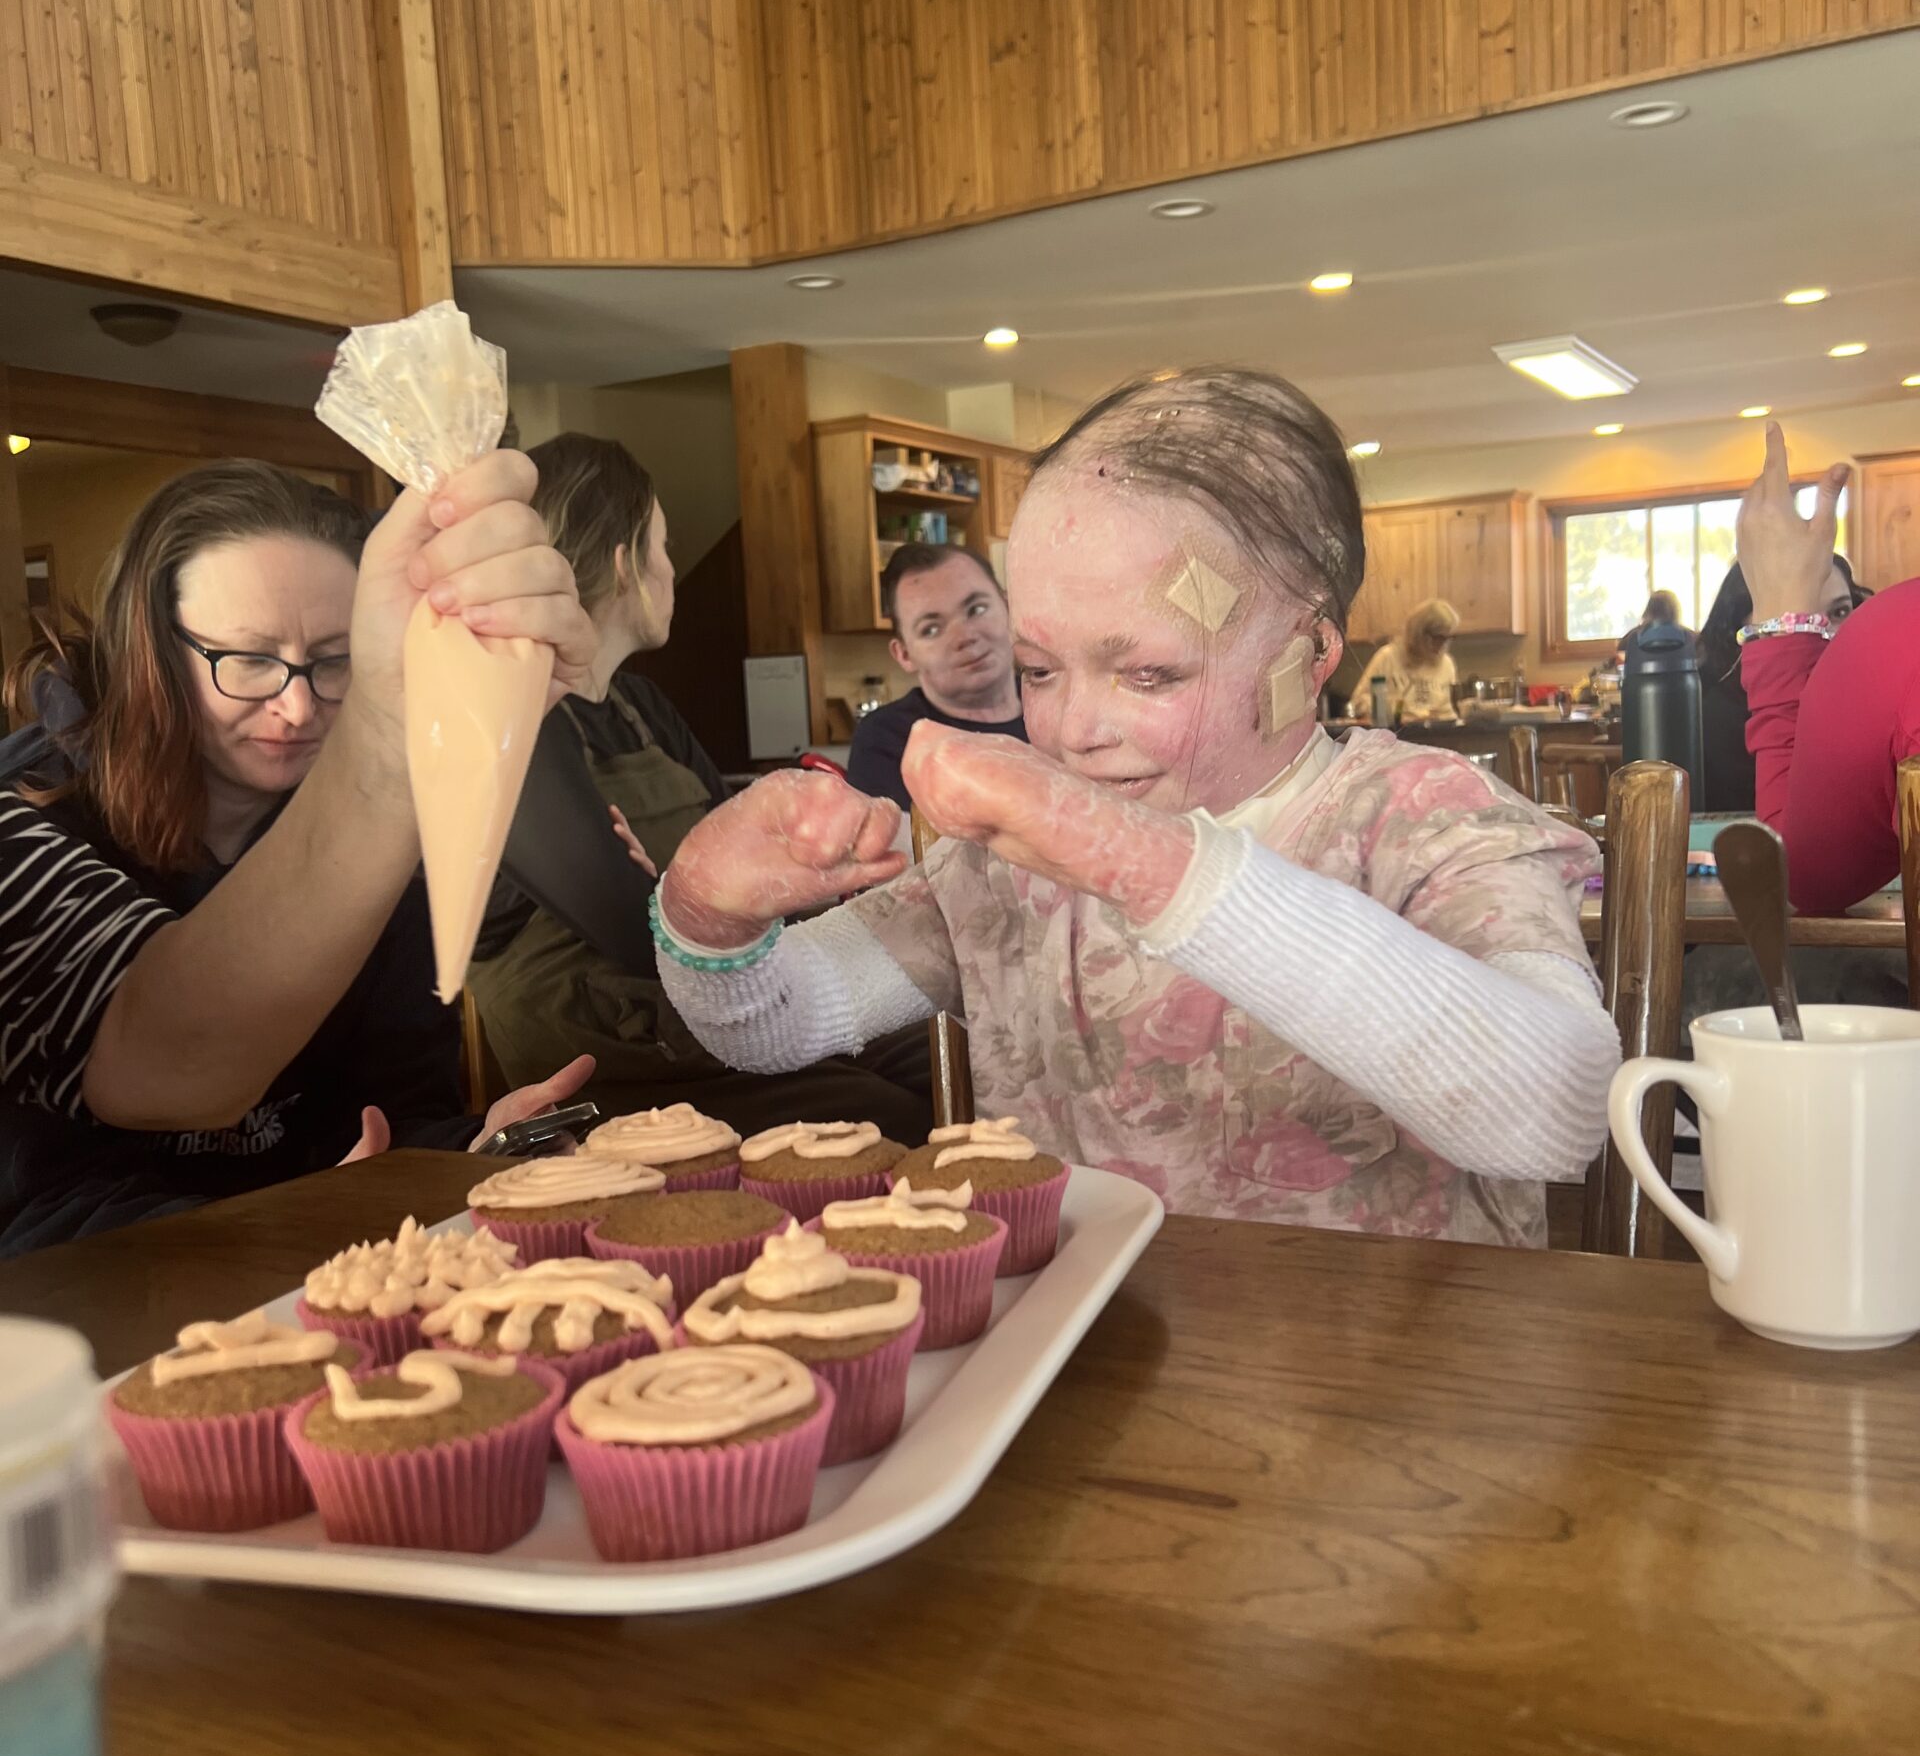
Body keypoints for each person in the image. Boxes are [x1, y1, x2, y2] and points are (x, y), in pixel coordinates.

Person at [649, 368, 1619, 1247]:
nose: (1074, 729)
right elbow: (776, 1020)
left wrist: (1134, 858)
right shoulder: (1004, 865)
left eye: (1148, 672)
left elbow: (1561, 1105)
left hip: (1385, 1402)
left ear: (1311, 650)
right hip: (1078, 1372)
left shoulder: (1428, 821)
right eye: (1037, 669)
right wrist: (707, 916)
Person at [0, 456, 597, 1255]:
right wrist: (304, 1221)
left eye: (336, 658)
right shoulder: (28, 822)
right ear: (147, 653)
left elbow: (397, 1112)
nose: (297, 705)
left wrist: (478, 1150)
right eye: (247, 659)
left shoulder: (378, 845)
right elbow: (76, 1172)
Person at [469, 434, 930, 1142]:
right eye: (665, 546)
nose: (671, 571)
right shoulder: (512, 717)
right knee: (892, 1123)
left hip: (712, 1004)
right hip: (616, 1049)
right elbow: (631, 930)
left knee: (952, 1057)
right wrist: (692, 901)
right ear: (626, 563)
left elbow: (749, 859)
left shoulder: (642, 706)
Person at [1733, 423, 1920, 913]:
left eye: (1838, 613)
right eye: (1814, 620)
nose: (1826, 638)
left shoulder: (1889, 649)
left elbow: (1800, 876)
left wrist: (1783, 625)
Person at [845, 543, 1024, 811]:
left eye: (976, 609)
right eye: (931, 629)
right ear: (904, 654)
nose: (965, 637)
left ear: (1009, 607)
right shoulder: (888, 739)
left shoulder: (1060, 704)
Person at [1696, 551, 1868, 811]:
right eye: (1797, 621)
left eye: (1839, 612)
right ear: (1743, 627)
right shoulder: (1718, 719)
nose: (1824, 634)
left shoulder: (1872, 702)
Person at [1348, 597, 1460, 724]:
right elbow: (1359, 704)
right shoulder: (1388, 658)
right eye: (1437, 637)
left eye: (1448, 638)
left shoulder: (1447, 665)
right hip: (1396, 737)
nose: (1442, 645)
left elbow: (1450, 713)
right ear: (1419, 633)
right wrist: (1392, 711)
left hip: (1435, 737)